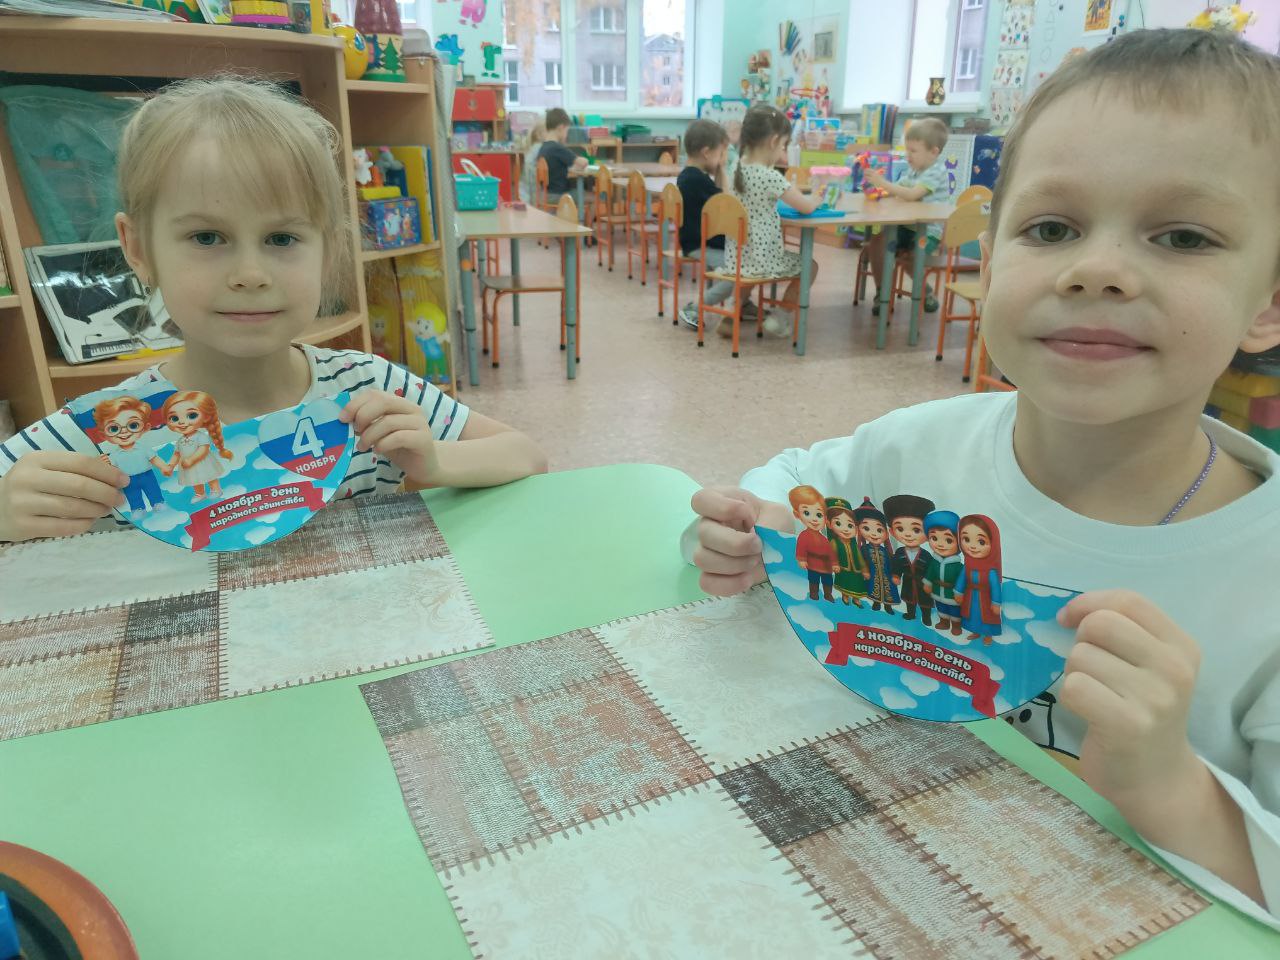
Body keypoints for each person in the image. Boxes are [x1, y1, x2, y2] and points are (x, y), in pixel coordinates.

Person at [683, 29, 1280, 927]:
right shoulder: (920, 450)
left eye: (1183, 236)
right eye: (1052, 229)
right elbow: (788, 483)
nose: (1097, 270)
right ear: (992, 263)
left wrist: (1172, 786)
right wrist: (737, 527)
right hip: (860, 879)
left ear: (1269, 303)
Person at [0, 76, 547, 543]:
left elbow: (526, 455)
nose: (250, 274)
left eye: (282, 239)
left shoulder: (368, 391)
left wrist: (435, 462)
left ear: (328, 249)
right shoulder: (108, 429)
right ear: (138, 247)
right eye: (207, 237)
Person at [722, 104, 821, 339]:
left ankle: (730, 314)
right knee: (811, 266)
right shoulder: (769, 176)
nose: (783, 151)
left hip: (737, 256)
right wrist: (818, 196)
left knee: (749, 271)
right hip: (763, 257)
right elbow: (805, 207)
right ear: (774, 141)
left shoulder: (736, 167)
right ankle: (781, 317)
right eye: (784, 145)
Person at [862, 116, 950, 314]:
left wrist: (882, 183)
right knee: (877, 241)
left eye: (913, 151)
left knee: (911, 258)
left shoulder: (936, 171)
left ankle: (925, 292)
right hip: (906, 226)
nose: (907, 155)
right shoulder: (914, 170)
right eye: (907, 150)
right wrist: (876, 189)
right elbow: (897, 189)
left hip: (928, 232)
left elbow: (911, 194)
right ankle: (882, 294)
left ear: (934, 152)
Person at [674, 119, 750, 330]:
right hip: (700, 245)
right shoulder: (696, 180)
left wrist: (718, 169)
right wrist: (723, 169)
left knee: (746, 261)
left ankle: (744, 302)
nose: (722, 158)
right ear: (707, 153)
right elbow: (727, 203)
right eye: (720, 153)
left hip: (701, 241)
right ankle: (696, 307)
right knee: (740, 270)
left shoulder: (692, 176)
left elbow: (718, 198)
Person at [536, 107, 588, 204]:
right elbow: (583, 163)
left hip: (545, 194)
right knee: (591, 196)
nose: (567, 134)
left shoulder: (543, 147)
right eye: (567, 130)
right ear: (561, 128)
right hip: (558, 195)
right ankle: (582, 215)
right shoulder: (557, 148)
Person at [520, 120, 546, 205]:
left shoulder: (534, 146)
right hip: (533, 180)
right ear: (539, 135)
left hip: (527, 183)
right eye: (547, 132)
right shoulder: (539, 147)